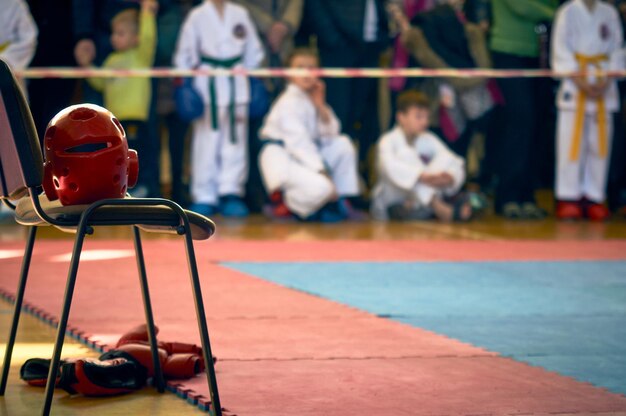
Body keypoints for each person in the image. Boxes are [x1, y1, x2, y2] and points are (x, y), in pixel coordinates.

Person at [174, 0, 264, 217]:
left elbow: (254, 51)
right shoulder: (197, 15)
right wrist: (186, 83)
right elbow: (183, 55)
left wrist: (251, 76)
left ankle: (231, 192)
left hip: (237, 82)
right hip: (207, 84)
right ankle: (205, 195)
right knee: (206, 141)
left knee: (235, 140)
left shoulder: (240, 13)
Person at [258, 47, 361, 222]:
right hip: (285, 158)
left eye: (311, 67)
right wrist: (323, 173)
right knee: (323, 188)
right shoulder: (287, 103)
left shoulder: (311, 97)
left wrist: (320, 105)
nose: (306, 73)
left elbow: (331, 134)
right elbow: (299, 145)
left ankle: (341, 201)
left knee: (343, 144)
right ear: (289, 74)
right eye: (300, 67)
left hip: (305, 158)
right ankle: (287, 206)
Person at [551, 0, 624, 221]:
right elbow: (560, 50)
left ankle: (594, 196)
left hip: (604, 86)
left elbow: (618, 50)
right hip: (575, 87)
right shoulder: (568, 12)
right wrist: (579, 80)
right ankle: (568, 197)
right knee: (570, 145)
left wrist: (606, 80)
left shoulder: (609, 13)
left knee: (599, 145)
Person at [301, 0, 389, 178]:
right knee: (339, 118)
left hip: (370, 49)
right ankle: (331, 180)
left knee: (364, 119)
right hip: (339, 48)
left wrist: (382, 37)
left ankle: (353, 182)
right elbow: (315, 6)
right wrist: (333, 39)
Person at [81, 0, 158, 198]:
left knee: (137, 154)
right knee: (117, 157)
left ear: (135, 38)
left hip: (135, 118)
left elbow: (149, 38)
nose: (114, 38)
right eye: (114, 33)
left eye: (120, 33)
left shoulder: (141, 57)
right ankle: (121, 188)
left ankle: (140, 187)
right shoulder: (111, 60)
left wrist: (147, 13)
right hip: (114, 124)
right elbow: (100, 83)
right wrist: (87, 67)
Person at [489, 0, 559, 219]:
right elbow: (521, 5)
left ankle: (527, 195)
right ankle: (507, 196)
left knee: (536, 124)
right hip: (508, 52)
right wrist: (558, 13)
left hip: (539, 53)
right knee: (520, 121)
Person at [371, 90, 471, 222]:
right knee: (406, 156)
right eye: (418, 117)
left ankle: (425, 206)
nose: (424, 122)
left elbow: (453, 161)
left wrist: (450, 178)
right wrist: (422, 176)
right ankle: (437, 206)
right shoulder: (388, 141)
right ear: (401, 117)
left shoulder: (428, 138)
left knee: (446, 158)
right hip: (393, 198)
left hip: (419, 199)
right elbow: (390, 169)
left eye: (426, 117)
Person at [0, 0, 37, 92]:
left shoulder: (15, 3)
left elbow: (28, 38)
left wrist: (4, 60)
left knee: (9, 102)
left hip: (8, 72)